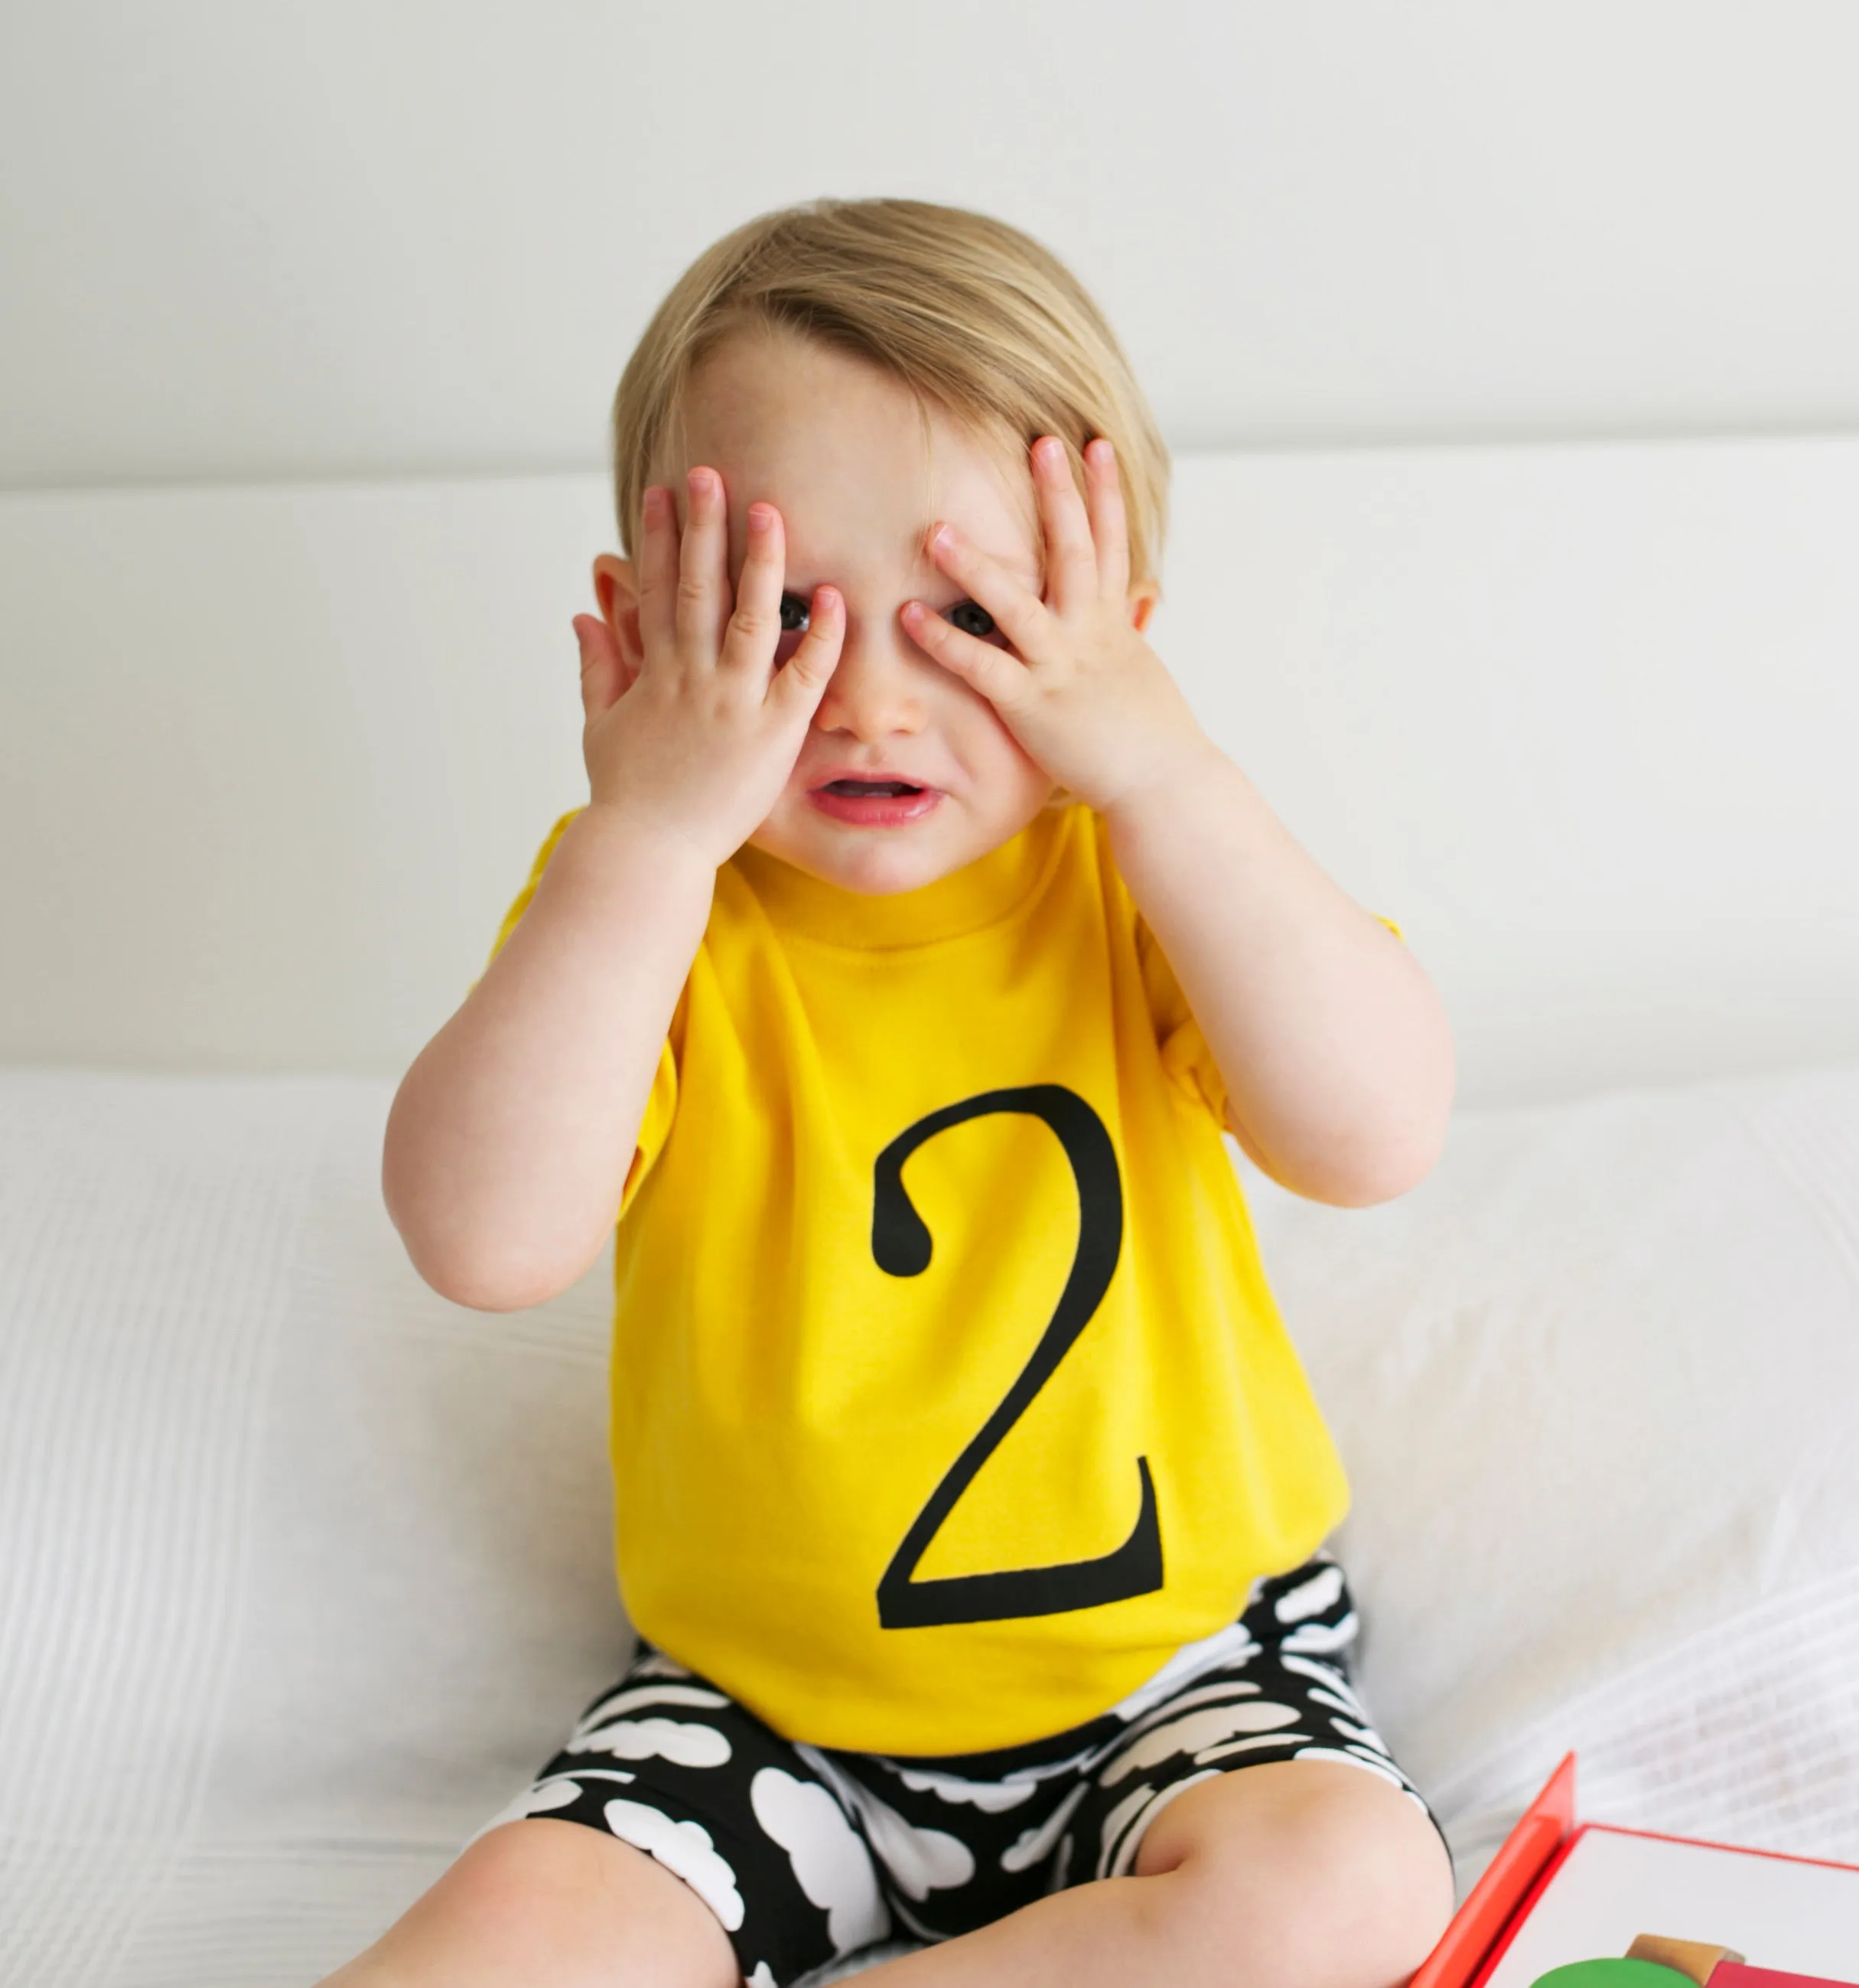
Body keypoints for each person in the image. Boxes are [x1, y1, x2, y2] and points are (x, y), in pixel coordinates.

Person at [338, 197, 1456, 1988]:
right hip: (769, 1716)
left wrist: (1168, 775)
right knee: (493, 1944)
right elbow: (482, 1240)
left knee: (1355, 1888)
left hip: (1173, 1676)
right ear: (634, 629)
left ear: (1119, 637)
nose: (866, 696)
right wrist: (641, 834)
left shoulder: (1141, 870)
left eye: (969, 619)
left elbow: (1377, 1130)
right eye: (779, 616)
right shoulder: (648, 907)